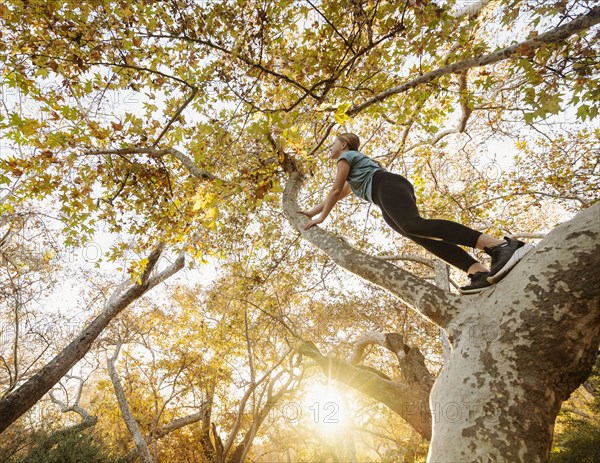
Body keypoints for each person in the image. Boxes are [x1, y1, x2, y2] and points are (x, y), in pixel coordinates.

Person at [299, 133, 534, 294]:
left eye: (333, 144)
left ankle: (501, 246)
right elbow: (338, 195)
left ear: (343, 145)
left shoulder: (345, 158)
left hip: (386, 185)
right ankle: (478, 272)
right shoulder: (355, 170)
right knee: (420, 235)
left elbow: (335, 189)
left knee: (414, 225)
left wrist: (320, 219)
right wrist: (310, 212)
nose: (330, 148)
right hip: (382, 195)